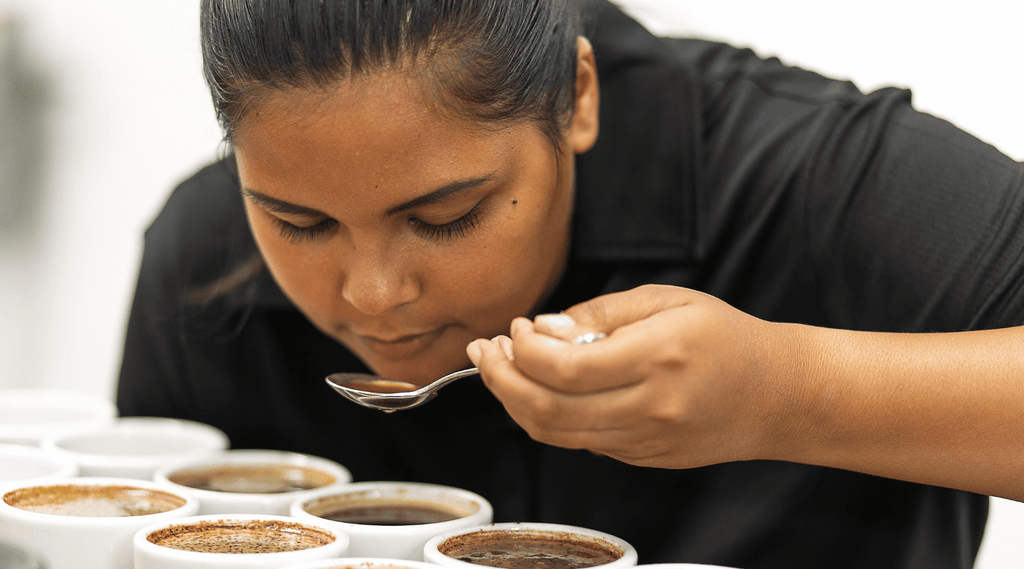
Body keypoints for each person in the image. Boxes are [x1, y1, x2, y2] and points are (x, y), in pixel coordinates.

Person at [116, 0, 1024, 567]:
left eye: (445, 216)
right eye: (299, 223)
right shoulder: (202, 260)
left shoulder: (810, 174)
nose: (375, 293)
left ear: (577, 96)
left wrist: (786, 391)